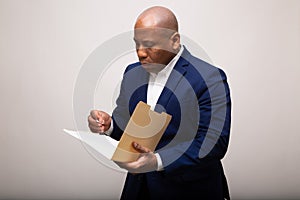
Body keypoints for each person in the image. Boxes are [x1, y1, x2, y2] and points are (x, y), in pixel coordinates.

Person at [88, 6, 231, 200]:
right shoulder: (132, 73)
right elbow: (127, 129)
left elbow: (214, 143)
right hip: (139, 190)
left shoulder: (210, 78)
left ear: (174, 41)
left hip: (191, 192)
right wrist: (109, 125)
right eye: (136, 44)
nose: (140, 53)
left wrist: (157, 161)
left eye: (148, 45)